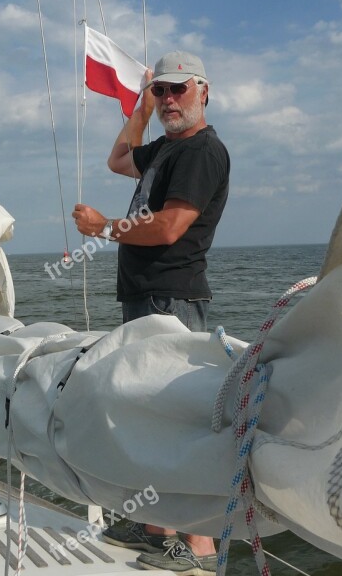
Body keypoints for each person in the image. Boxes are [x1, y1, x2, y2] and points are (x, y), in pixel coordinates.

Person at [72, 51, 229, 575]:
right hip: (146, 296)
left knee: (178, 421)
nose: (168, 100)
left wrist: (102, 228)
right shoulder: (164, 148)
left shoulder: (203, 152)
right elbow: (119, 159)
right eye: (161, 91)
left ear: (203, 90)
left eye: (176, 89)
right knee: (146, 411)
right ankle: (158, 531)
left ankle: (201, 553)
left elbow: (167, 228)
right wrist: (138, 103)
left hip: (172, 299)